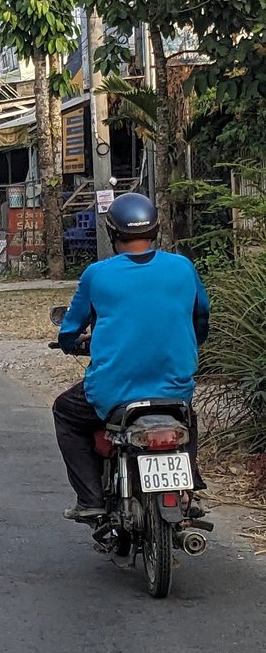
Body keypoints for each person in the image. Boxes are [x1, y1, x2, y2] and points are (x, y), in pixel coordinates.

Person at [53, 192, 210, 521]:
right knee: (186, 417)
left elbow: (70, 329)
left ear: (113, 234)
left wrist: (70, 343)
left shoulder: (98, 274)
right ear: (156, 230)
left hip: (114, 390)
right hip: (174, 385)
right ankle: (189, 486)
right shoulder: (182, 267)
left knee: (65, 412)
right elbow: (201, 317)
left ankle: (90, 498)